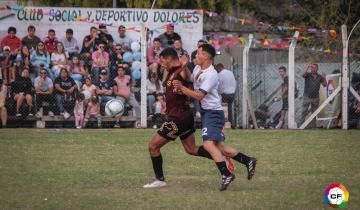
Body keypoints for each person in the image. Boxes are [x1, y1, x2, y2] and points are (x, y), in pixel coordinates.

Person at [173, 44, 257, 191]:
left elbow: (199, 95)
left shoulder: (211, 75)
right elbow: (190, 79)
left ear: (206, 56)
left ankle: (226, 174)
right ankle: (248, 160)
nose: (195, 57)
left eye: (198, 54)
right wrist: (184, 66)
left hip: (213, 113)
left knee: (208, 145)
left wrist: (181, 88)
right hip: (207, 112)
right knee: (219, 148)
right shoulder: (199, 69)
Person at [300, 63, 327, 128]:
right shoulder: (308, 75)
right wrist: (307, 67)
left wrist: (324, 78)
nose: (313, 69)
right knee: (304, 111)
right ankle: (301, 125)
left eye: (314, 68)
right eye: (312, 68)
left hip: (315, 97)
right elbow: (302, 74)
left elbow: (325, 85)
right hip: (307, 96)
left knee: (314, 113)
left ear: (317, 69)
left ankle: (313, 126)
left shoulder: (320, 76)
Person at [215, 63, 236, 128]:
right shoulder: (230, 73)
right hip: (232, 93)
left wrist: (218, 93)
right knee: (229, 109)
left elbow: (219, 85)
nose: (216, 71)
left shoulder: (220, 74)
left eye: (217, 70)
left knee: (224, 109)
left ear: (219, 68)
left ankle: (225, 123)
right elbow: (234, 82)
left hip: (225, 94)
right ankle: (231, 123)